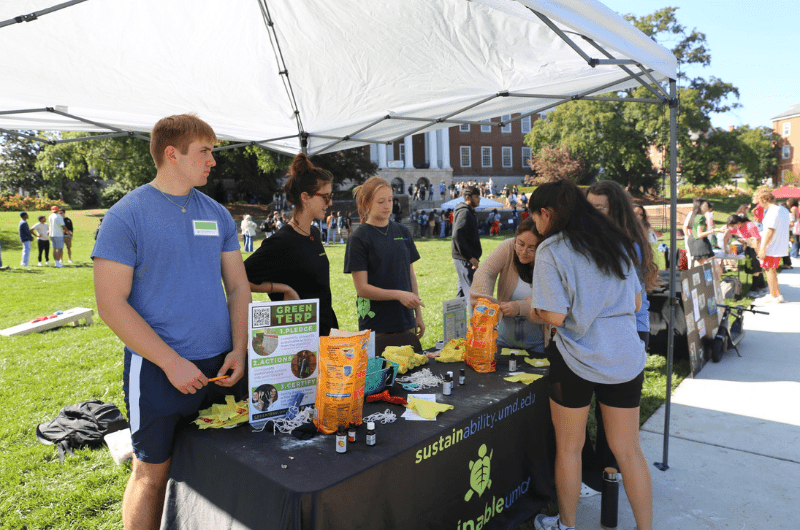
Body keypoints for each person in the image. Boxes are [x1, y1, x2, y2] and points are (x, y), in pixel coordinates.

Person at [92, 114, 251, 530]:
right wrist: (170, 362)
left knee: (227, 466)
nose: (213, 161)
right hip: (158, 371)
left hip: (222, 368)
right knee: (151, 473)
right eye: (204, 151)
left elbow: (238, 287)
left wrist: (239, 348)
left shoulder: (216, 214)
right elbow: (111, 304)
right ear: (171, 154)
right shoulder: (126, 215)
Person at [529, 180, 652, 530]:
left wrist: (532, 309)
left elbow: (553, 315)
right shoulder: (620, 241)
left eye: (535, 217)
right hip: (625, 354)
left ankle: (566, 525)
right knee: (629, 451)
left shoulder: (552, 249)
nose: (536, 226)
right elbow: (636, 302)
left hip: (575, 358)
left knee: (569, 448)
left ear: (547, 214)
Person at [244, 153, 339, 336]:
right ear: (305, 197)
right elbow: (240, 277)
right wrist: (282, 289)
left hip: (326, 331)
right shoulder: (281, 242)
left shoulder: (315, 233)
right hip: (298, 338)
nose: (330, 202)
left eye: (331, 196)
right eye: (325, 197)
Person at [344, 176, 425, 339]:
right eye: (381, 202)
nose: (387, 206)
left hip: (405, 321)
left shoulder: (403, 232)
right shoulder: (359, 238)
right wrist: (399, 295)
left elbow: (410, 276)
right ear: (367, 204)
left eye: (390, 200)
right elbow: (362, 288)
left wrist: (418, 314)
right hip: (377, 326)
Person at [469, 218, 548, 354]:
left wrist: (520, 307)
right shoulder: (508, 247)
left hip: (538, 346)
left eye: (531, 248)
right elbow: (485, 273)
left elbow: (550, 306)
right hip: (503, 341)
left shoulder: (548, 261)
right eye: (520, 244)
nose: (523, 251)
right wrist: (486, 302)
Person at [754, 188, 790, 303]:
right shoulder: (783, 209)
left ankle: (773, 295)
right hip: (779, 244)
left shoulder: (772, 211)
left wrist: (762, 248)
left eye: (759, 202)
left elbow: (770, 230)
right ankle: (777, 294)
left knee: (768, 269)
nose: (759, 205)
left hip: (771, 245)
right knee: (771, 270)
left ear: (764, 200)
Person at [723, 214, 767, 297]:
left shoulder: (750, 226)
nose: (732, 228)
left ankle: (753, 290)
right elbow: (726, 237)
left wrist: (759, 255)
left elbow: (758, 240)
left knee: (756, 270)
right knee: (754, 269)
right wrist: (726, 248)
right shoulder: (736, 227)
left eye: (733, 225)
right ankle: (762, 287)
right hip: (749, 248)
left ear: (739, 223)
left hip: (756, 248)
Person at [452, 185, 482, 300]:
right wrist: (469, 257)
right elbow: (457, 236)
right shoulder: (464, 212)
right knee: (471, 292)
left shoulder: (469, 212)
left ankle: (454, 317)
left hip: (464, 257)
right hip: (464, 258)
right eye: (476, 196)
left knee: (463, 293)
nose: (479, 199)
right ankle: (474, 317)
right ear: (467, 197)